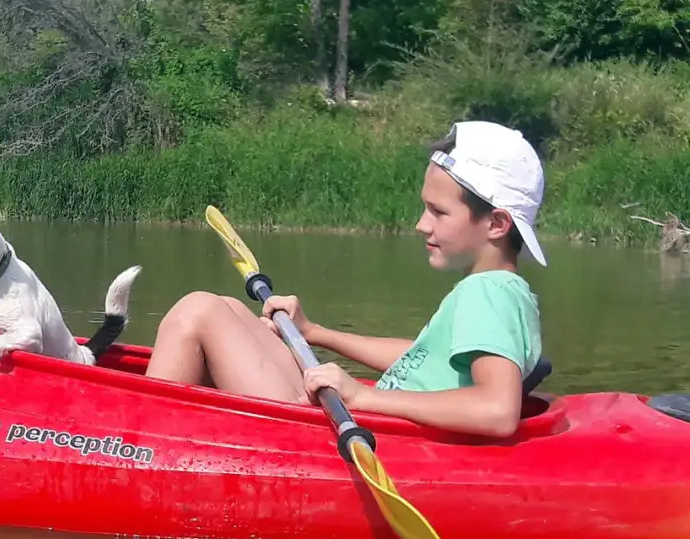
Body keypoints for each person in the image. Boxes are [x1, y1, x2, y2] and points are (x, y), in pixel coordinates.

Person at [143, 120, 545, 438]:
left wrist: (362, 395)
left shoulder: (489, 292)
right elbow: (423, 357)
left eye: (438, 212)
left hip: (340, 436)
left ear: (496, 223)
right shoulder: (498, 289)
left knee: (199, 311)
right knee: (229, 309)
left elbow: (497, 410)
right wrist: (314, 332)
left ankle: (137, 448)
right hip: (346, 417)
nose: (422, 224)